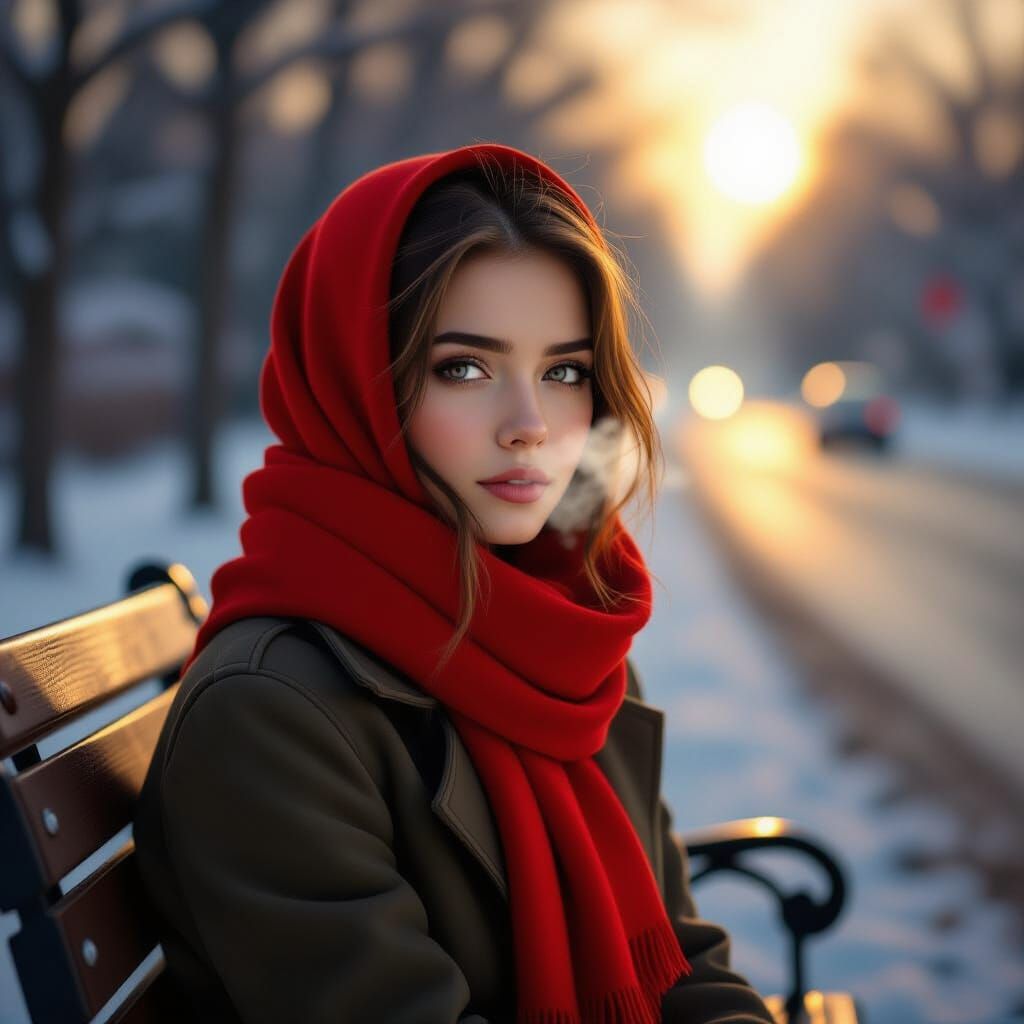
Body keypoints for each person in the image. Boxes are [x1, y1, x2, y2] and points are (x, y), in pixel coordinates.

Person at [133, 142, 776, 1024]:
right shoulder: (271, 715)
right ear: (356, 385)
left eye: (565, 372)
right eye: (463, 368)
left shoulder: (566, 646)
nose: (530, 427)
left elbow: (676, 957)